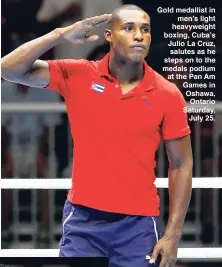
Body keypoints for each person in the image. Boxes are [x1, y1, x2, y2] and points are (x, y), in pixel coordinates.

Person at [1, 4, 193, 267]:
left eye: (145, 29)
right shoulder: (78, 74)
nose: (139, 35)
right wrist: (58, 34)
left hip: (137, 225)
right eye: (129, 27)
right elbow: (7, 69)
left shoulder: (167, 93)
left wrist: (173, 235)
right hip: (83, 222)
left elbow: (181, 165)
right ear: (109, 36)